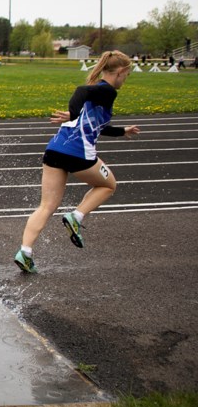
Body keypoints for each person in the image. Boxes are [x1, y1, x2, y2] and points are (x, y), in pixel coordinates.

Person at [14, 51, 141, 273]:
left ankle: (25, 252)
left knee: (46, 206)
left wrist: (122, 131)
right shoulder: (107, 91)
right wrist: (73, 113)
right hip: (78, 152)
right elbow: (80, 90)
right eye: (126, 76)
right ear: (119, 72)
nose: (125, 81)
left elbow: (97, 126)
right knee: (108, 184)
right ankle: (77, 215)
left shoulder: (96, 96)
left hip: (55, 149)